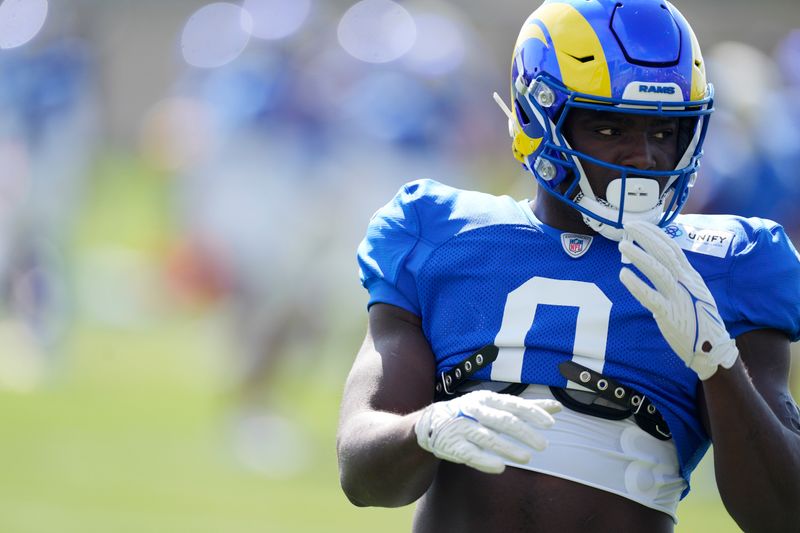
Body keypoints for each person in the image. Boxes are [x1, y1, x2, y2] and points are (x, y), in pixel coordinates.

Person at [336, 0, 800, 531]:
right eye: (610, 129)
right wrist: (427, 429)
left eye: (663, 131)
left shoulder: (730, 265)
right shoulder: (438, 232)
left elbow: (783, 514)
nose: (644, 157)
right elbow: (362, 473)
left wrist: (718, 363)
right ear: (538, 116)